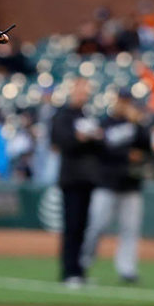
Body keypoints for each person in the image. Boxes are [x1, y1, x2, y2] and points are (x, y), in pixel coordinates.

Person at [80, 89, 151, 283]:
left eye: (127, 101)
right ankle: (83, 264)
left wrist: (138, 122)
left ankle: (127, 269)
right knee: (96, 226)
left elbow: (147, 145)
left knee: (130, 229)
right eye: (122, 100)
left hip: (131, 185)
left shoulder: (138, 123)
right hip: (107, 183)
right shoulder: (106, 123)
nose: (124, 104)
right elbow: (101, 149)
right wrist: (125, 155)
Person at [49, 78, 103, 287]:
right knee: (72, 227)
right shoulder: (63, 116)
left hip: (88, 178)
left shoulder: (88, 116)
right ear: (72, 93)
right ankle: (69, 271)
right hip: (71, 178)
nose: (82, 96)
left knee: (83, 227)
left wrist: (91, 138)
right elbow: (60, 141)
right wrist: (79, 138)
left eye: (85, 92)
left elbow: (100, 142)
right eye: (79, 92)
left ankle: (79, 271)